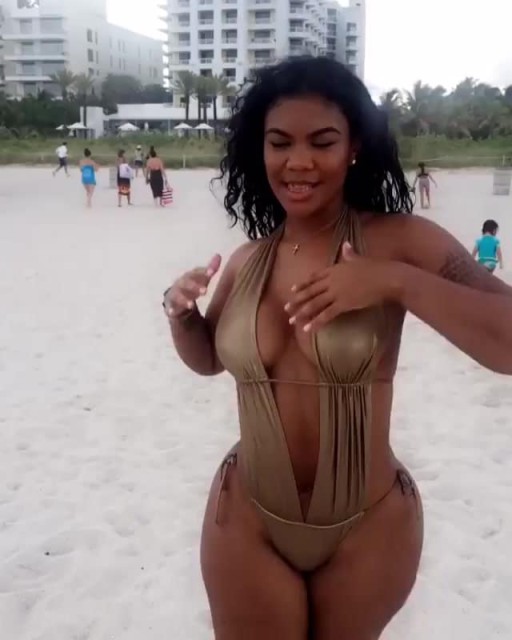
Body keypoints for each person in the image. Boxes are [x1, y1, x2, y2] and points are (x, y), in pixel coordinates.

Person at [162, 56, 512, 640]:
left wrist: (393, 281)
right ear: (260, 150)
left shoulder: (400, 240)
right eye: (280, 143)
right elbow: (208, 361)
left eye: (322, 142)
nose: (298, 161)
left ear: (354, 148)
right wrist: (181, 315)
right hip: (248, 518)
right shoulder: (249, 260)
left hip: (367, 526)